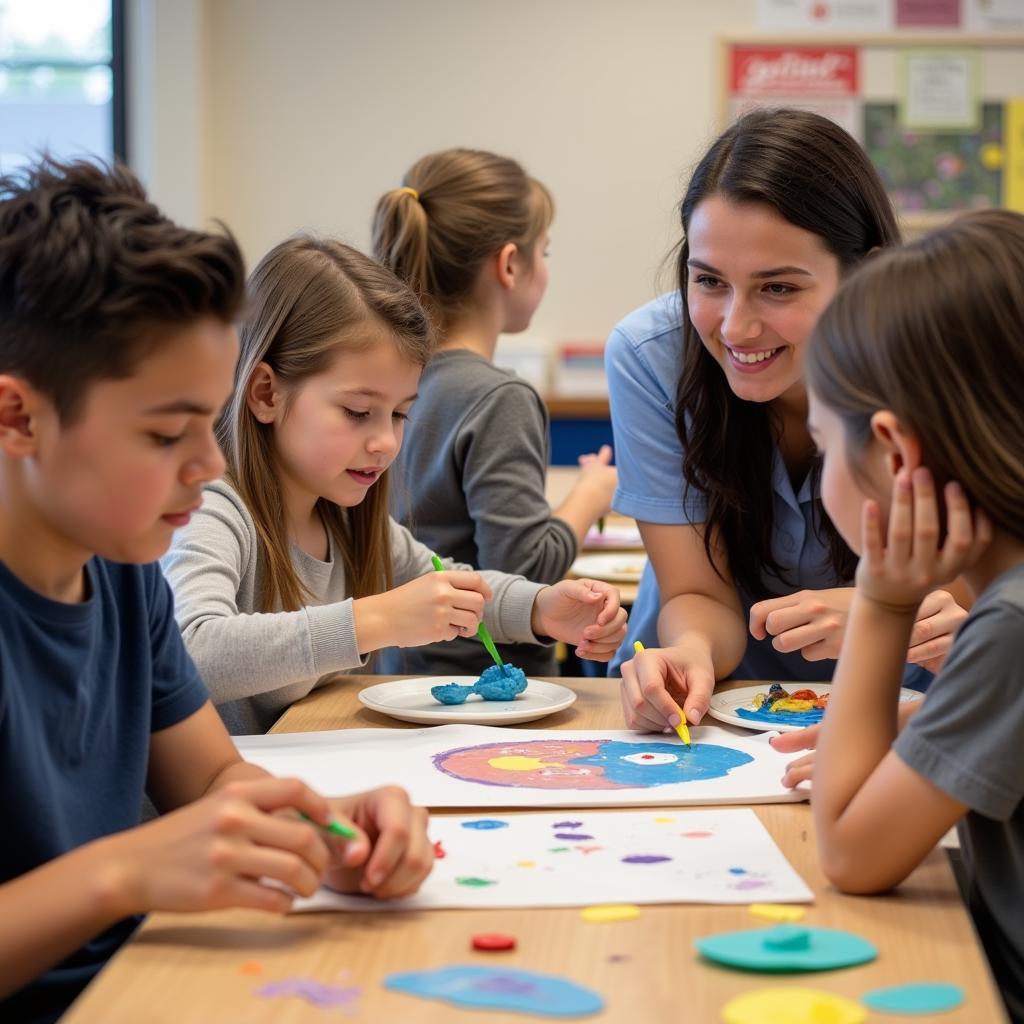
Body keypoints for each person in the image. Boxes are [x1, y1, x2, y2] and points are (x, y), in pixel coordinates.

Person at [0, 159, 432, 1024]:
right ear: (18, 417)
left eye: (210, 419)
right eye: (166, 433)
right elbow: (138, 859)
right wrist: (124, 871)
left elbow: (210, 784)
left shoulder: (122, 573)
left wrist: (326, 826)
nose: (208, 464)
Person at [161, 236, 627, 734]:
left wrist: (541, 608)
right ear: (266, 393)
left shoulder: (341, 517)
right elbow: (188, 650)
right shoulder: (214, 509)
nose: (385, 441)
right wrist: (373, 619)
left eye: (401, 413)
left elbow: (452, 584)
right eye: (358, 412)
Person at [608, 108, 967, 732]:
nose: (736, 326)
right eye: (710, 281)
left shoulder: (953, 360)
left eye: (778, 288)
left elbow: (981, 581)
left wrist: (890, 611)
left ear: (866, 276)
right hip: (721, 701)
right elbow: (697, 593)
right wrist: (689, 652)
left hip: (910, 710)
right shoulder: (650, 356)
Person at [800, 209, 1024, 1023]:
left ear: (893, 456)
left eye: (823, 442)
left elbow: (850, 853)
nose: (823, 464)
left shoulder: (1010, 625)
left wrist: (882, 598)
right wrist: (926, 722)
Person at [371, 148, 616, 676]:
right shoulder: (500, 397)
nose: (545, 270)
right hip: (493, 686)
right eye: (543, 252)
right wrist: (589, 495)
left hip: (398, 673)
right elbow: (524, 571)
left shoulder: (384, 388)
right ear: (509, 264)